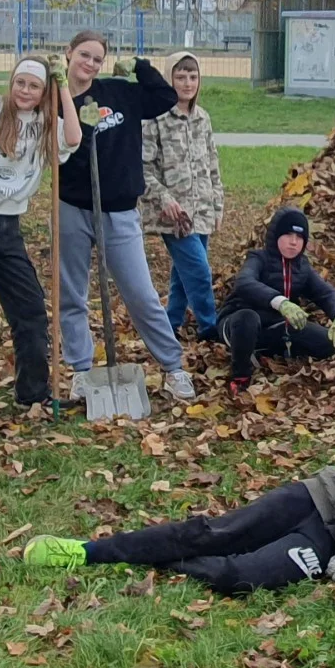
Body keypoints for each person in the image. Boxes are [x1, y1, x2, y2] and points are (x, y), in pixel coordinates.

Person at [20, 397, 335, 593]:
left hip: (331, 545)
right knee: (216, 532)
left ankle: (153, 563)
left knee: (240, 575)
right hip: (320, 502)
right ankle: (88, 553)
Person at [58, 31, 197, 403]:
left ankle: (173, 367)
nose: (89, 64)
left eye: (96, 59)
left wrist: (139, 67)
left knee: (140, 293)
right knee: (72, 293)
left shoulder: (118, 92)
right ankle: (81, 370)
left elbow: (164, 97)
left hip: (119, 210)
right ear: (68, 54)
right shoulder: (54, 98)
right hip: (72, 206)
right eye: (83, 55)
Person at [0, 57, 81, 415]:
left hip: (10, 226)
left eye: (34, 86)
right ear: (11, 83)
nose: (25, 91)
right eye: (20, 83)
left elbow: (73, 137)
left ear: (44, 92)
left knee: (30, 310)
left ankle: (33, 391)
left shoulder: (45, 123)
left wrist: (63, 87)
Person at [219, 207, 335, 393]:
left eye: (299, 237)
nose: (293, 242)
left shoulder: (302, 267)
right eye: (288, 235)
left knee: (329, 342)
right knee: (246, 318)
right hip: (237, 324)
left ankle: (266, 353)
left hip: (276, 327)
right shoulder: (258, 258)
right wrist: (280, 302)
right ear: (275, 236)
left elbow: (326, 293)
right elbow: (244, 282)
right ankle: (241, 376)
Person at [141, 52, 225, 342]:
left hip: (201, 210)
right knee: (199, 272)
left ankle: (170, 322)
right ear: (169, 79)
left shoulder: (203, 119)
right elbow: (144, 168)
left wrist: (217, 205)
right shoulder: (155, 118)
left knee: (183, 273)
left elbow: (212, 165)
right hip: (175, 216)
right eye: (180, 77)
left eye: (192, 77)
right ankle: (210, 327)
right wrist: (164, 199)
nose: (187, 83)